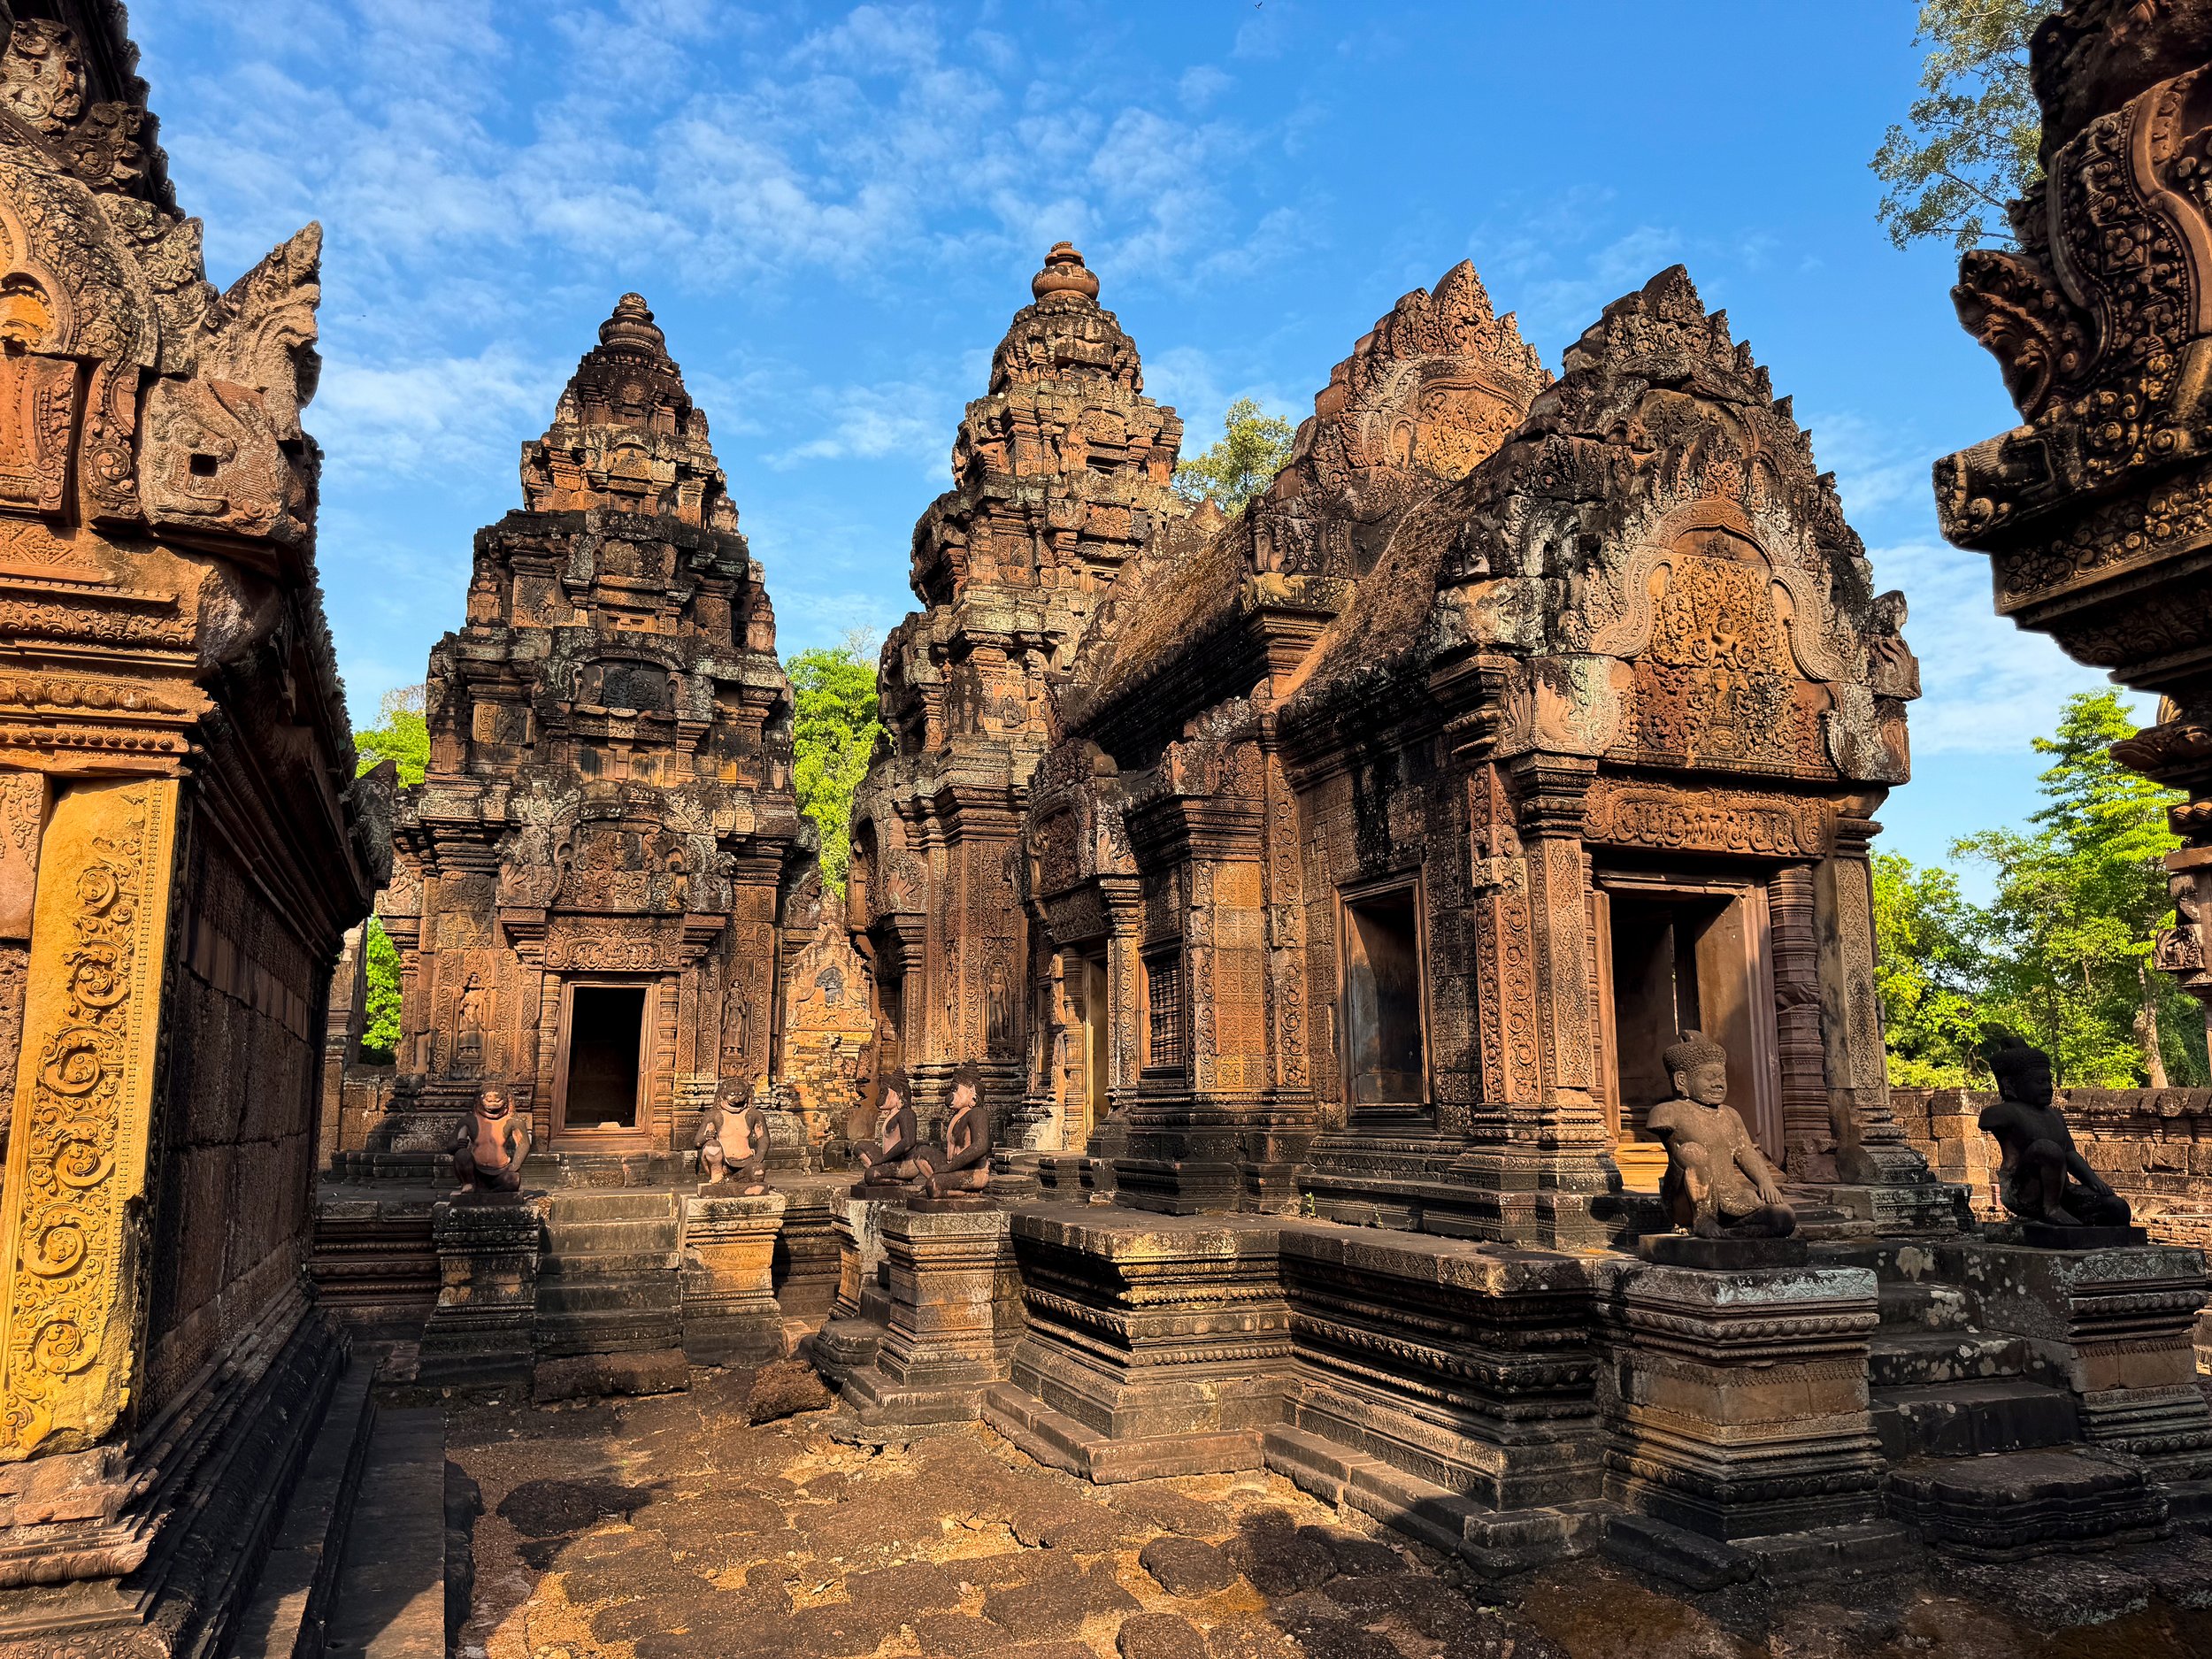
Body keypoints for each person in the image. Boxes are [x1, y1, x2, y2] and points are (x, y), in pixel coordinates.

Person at [1644, 1031, 1794, 1240]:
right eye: (1710, 1077)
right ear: (1682, 1080)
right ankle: (1702, 1220)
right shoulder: (1668, 1112)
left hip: (1731, 1197)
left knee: (1784, 1217)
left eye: (1722, 1077)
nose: (1719, 1084)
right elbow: (1685, 1157)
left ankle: (1729, 1235)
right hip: (1685, 1200)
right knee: (1691, 1151)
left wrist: (1765, 1182)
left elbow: (1745, 1152)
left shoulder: (1730, 1114)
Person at [1977, 1032, 2131, 1228]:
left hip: (2062, 1190)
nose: (2048, 1087)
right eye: (2039, 1082)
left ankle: (2067, 1215)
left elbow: (2070, 1155)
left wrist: (2094, 1181)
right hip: (2022, 1192)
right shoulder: (2003, 1113)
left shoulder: (2054, 1115)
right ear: (2011, 1084)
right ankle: (2051, 1209)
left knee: (2118, 1208)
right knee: (2046, 1148)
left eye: (2048, 1081)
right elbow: (2049, 1153)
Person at [450, 1082, 530, 1194]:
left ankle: (486, 1191)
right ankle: (469, 1183)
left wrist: (515, 1165)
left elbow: (523, 1144)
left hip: (501, 1171)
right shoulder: (468, 1120)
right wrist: (458, 1145)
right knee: (462, 1155)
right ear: (479, 1100)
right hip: (474, 1170)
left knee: (514, 1179)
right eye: (488, 1099)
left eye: (498, 1100)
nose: (493, 1102)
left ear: (507, 1100)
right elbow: (451, 1146)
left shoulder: (514, 1121)